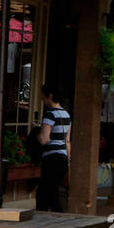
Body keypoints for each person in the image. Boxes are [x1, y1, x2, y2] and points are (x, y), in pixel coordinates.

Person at [37, 83, 71, 212]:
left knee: (44, 196)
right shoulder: (66, 115)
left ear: (49, 96)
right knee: (53, 192)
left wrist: (36, 133)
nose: (42, 99)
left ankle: (51, 221)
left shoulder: (50, 114)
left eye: (43, 97)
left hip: (51, 159)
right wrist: (68, 161)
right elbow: (67, 141)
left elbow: (44, 140)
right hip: (62, 159)